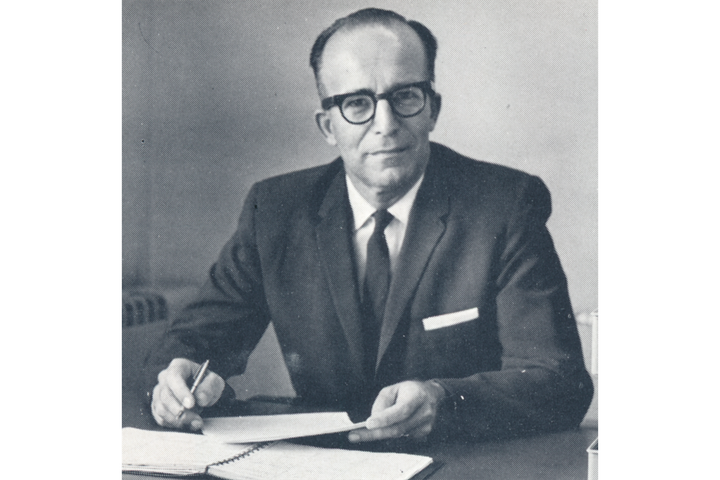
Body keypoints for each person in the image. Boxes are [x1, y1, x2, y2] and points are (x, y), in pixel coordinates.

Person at [144, 8, 593, 443]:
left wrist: (442, 399)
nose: (386, 125)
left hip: (462, 463)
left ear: (432, 108)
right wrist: (176, 381)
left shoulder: (504, 205)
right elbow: (188, 344)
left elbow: (560, 382)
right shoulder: (276, 210)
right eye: (357, 103)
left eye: (405, 96)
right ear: (327, 126)